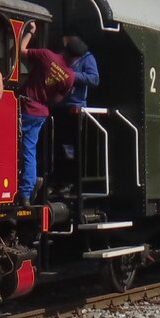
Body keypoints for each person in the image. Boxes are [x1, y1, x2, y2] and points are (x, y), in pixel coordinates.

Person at [18, 20, 75, 203]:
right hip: (41, 111)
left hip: (26, 106)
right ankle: (27, 190)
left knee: (17, 148)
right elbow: (58, 99)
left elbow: (21, 51)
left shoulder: (46, 55)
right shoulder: (70, 76)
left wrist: (30, 33)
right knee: (29, 151)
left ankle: (22, 189)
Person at [55, 33, 100, 186]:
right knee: (58, 146)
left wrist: (72, 75)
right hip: (59, 106)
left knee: (72, 147)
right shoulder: (62, 56)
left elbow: (94, 79)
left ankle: (71, 183)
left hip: (76, 108)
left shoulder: (87, 58)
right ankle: (58, 181)